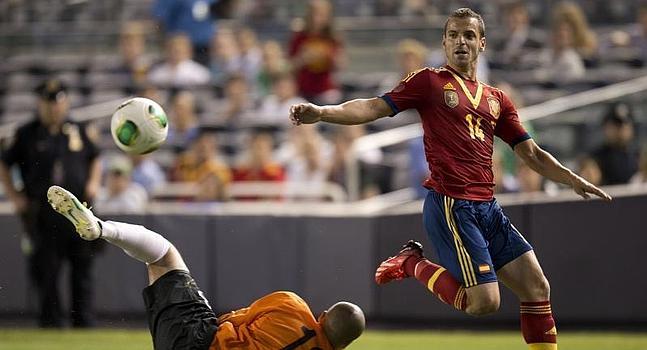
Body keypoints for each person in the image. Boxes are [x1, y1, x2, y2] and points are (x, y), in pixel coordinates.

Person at [289, 8, 611, 350]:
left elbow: (531, 154)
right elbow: (373, 107)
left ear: (482, 43)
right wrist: (323, 113)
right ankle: (412, 264)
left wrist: (571, 178)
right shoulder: (428, 82)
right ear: (444, 43)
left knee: (537, 287)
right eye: (454, 35)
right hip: (452, 206)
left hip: (489, 208)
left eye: (469, 35)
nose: (461, 41)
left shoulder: (497, 99)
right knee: (485, 303)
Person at [46, 185, 365, 349]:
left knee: (163, 255)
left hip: (199, 339)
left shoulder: (292, 307)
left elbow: (238, 318)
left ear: (323, 316)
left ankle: (101, 228)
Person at [0, 79, 102, 328]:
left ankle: (84, 323)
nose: (54, 108)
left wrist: (94, 183)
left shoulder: (78, 129)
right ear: (40, 104)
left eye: (59, 102)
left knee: (83, 270)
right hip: (42, 214)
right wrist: (15, 196)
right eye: (48, 103)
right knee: (46, 271)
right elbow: (4, 163)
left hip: (80, 212)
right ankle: (50, 323)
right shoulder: (25, 133)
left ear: (65, 103)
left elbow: (95, 157)